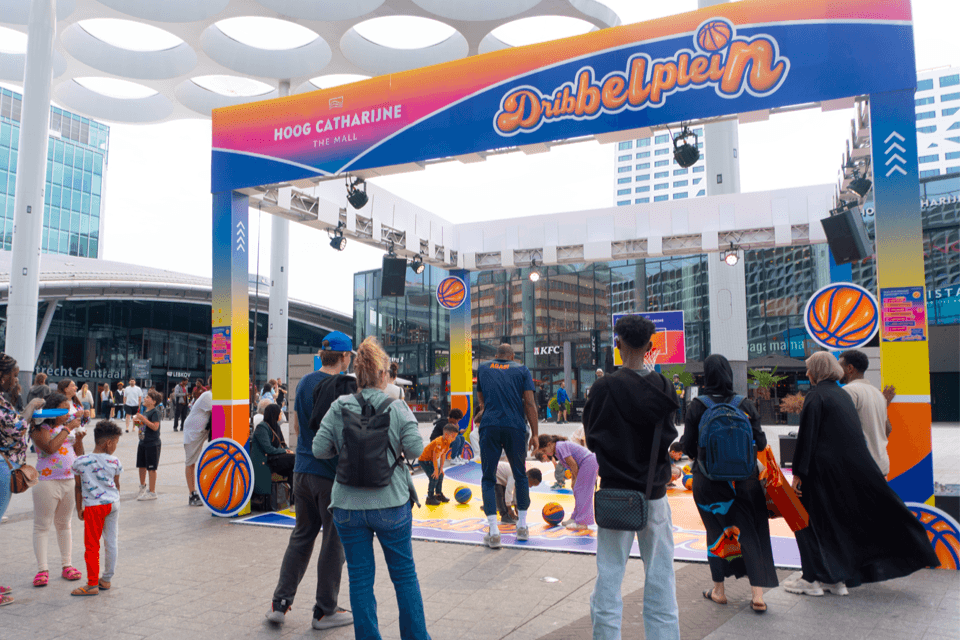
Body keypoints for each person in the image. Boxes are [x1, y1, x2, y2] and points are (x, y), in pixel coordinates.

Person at [783, 351, 939, 596]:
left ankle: (812, 579)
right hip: (856, 470)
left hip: (821, 475)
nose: (806, 373)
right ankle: (835, 579)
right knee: (838, 525)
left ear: (818, 370)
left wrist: (798, 473)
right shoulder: (842, 395)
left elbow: (807, 438)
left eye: (809, 368)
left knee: (808, 524)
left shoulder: (818, 396)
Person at [313, 336, 428, 640]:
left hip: (348, 507)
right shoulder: (397, 406)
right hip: (391, 502)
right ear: (382, 374)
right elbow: (416, 448)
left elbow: (319, 449)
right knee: (404, 576)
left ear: (357, 374)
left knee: (360, 580)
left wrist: (347, 447)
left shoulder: (339, 406)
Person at [583, 314, 680, 640]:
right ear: (651, 347)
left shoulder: (603, 387)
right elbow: (669, 436)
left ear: (617, 344)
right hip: (654, 493)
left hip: (615, 495)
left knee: (609, 579)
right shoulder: (665, 388)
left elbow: (593, 440)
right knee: (661, 578)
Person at [265, 330, 355, 630]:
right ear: (344, 357)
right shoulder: (344, 386)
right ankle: (325, 610)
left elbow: (298, 426)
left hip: (302, 471)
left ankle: (280, 603)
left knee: (302, 536)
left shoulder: (304, 382)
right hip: (329, 476)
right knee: (333, 543)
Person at [683, 354, 777, 613]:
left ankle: (719, 590)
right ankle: (758, 596)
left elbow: (689, 445)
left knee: (715, 534)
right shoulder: (744, 404)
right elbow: (761, 443)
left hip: (708, 483)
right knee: (752, 533)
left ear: (706, 375)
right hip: (745, 482)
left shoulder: (697, 405)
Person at [475, 343, 538, 548]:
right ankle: (522, 527)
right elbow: (529, 402)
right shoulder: (521, 369)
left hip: (490, 425)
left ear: (496, 356)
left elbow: (481, 398)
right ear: (512, 356)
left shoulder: (484, 368)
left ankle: (493, 532)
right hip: (515, 426)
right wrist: (535, 434)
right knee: (520, 475)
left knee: (488, 477)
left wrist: (488, 407)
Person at [30, 392, 86, 588]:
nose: (68, 412)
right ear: (53, 410)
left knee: (65, 524)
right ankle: (42, 569)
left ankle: (67, 564)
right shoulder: (40, 428)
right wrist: (68, 428)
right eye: (64, 409)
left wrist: (78, 438)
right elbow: (50, 448)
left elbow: (80, 454)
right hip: (46, 482)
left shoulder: (67, 428)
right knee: (42, 525)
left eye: (68, 408)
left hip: (69, 480)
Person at [69, 420, 123, 596]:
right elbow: (116, 484)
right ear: (108, 443)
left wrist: (79, 508)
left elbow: (78, 487)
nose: (115, 446)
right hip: (113, 504)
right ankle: (106, 580)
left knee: (92, 545)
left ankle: (92, 583)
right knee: (111, 541)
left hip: (94, 507)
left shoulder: (80, 462)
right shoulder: (115, 461)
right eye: (115, 442)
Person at [0, 354, 30, 605]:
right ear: (2, 376)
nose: (16, 379)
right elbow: (17, 427)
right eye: (14, 374)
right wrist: (29, 412)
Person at [838, 349, 896, 476]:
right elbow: (888, 429)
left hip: (861, 469)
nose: (837, 371)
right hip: (881, 466)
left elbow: (843, 430)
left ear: (850, 368)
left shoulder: (849, 391)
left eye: (839, 367)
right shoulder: (877, 394)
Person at [536, 435, 598, 530]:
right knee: (578, 491)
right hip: (586, 464)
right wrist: (574, 481)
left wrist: (576, 480)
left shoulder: (560, 447)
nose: (545, 453)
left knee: (582, 492)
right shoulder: (557, 451)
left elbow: (573, 464)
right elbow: (573, 465)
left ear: (549, 444)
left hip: (588, 463)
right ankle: (575, 517)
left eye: (544, 451)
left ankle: (582, 522)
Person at [182, 387, 212, 507]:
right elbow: (221, 409)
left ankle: (194, 492)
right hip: (193, 432)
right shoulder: (208, 396)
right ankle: (192, 494)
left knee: (192, 462)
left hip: (200, 432)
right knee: (190, 462)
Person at [254, 404, 295, 488]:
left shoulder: (276, 426)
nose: (281, 415)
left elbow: (283, 444)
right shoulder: (262, 427)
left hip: (276, 458)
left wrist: (288, 450)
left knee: (294, 470)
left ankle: (293, 496)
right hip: (268, 460)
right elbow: (268, 449)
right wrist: (285, 451)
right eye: (280, 413)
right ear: (274, 414)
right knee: (294, 459)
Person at [419, 422, 458, 505]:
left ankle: (438, 494)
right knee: (434, 477)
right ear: (447, 435)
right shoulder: (438, 442)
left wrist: (441, 469)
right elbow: (434, 457)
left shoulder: (447, 442)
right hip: (424, 460)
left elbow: (443, 455)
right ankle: (429, 498)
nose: (454, 439)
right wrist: (436, 470)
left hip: (431, 460)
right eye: (453, 436)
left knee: (440, 475)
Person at [134, 390, 162, 501]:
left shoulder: (156, 412)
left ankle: (152, 492)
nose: (145, 399)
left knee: (151, 468)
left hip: (152, 443)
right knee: (141, 466)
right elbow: (142, 427)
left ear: (153, 401)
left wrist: (143, 419)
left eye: (147, 397)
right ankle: (142, 487)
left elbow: (155, 427)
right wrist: (137, 422)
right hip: (143, 442)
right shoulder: (145, 412)